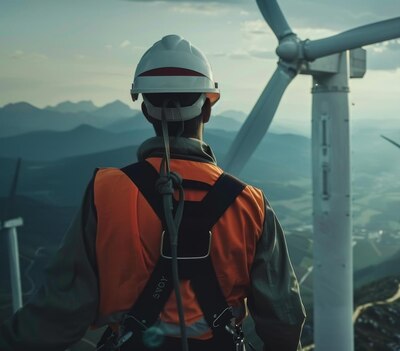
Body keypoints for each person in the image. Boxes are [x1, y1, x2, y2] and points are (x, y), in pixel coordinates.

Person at [0, 34, 305, 351]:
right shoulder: (250, 204)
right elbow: (284, 319)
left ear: (145, 110)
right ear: (208, 108)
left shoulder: (105, 193)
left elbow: (58, 313)